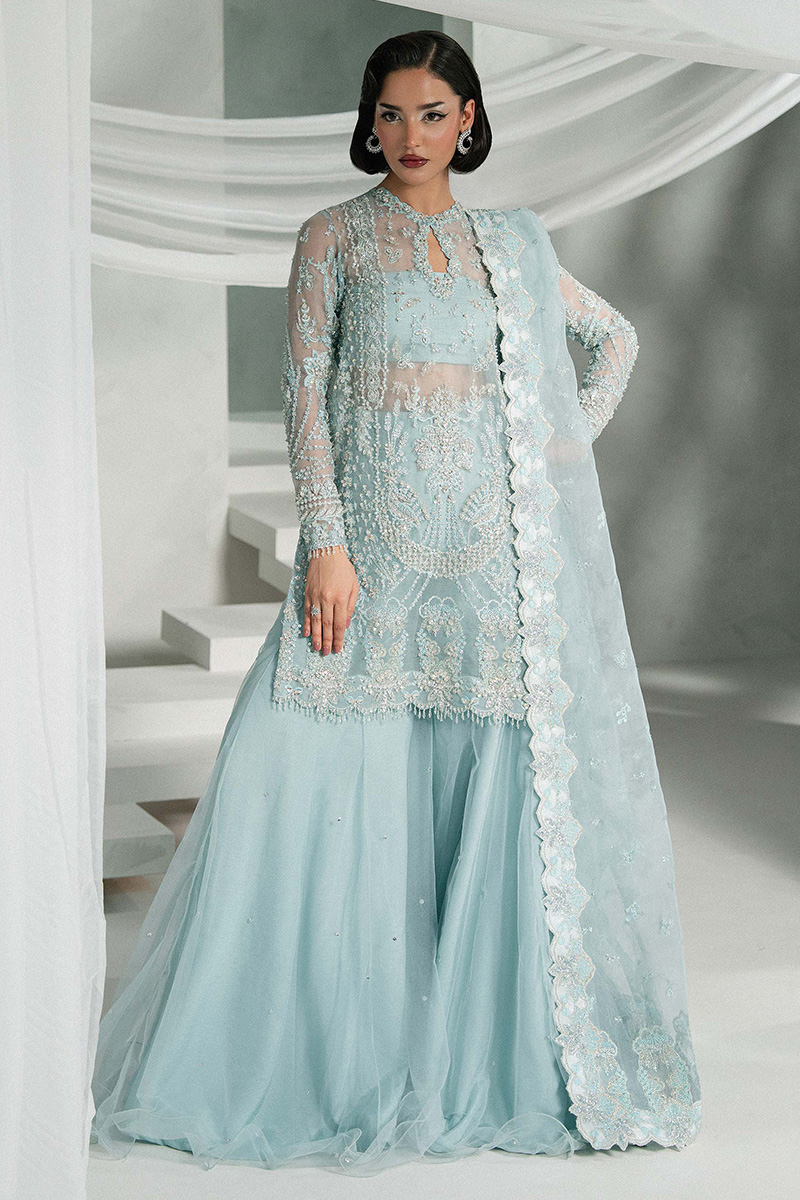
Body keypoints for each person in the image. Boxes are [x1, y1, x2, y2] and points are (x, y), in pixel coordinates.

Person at [90, 30, 702, 1177]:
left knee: (490, 783)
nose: (409, 135)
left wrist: (548, 457)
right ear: (366, 122)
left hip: (487, 560)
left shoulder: (509, 245)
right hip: (368, 554)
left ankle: (482, 1049)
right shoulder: (331, 238)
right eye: (389, 113)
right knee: (308, 763)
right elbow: (304, 399)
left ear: (467, 122)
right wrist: (325, 546)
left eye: (431, 114)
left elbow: (610, 343)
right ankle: (322, 1045)